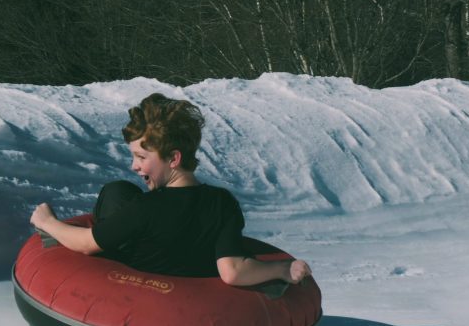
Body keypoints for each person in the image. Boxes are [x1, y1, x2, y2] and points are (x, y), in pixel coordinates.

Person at [30, 93, 311, 286]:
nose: (134, 166)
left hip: (138, 289)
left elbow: (87, 244)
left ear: (173, 158)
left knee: (115, 193)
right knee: (123, 190)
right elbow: (232, 272)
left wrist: (48, 222)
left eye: (141, 158)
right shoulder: (223, 202)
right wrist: (282, 269)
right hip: (192, 267)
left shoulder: (145, 209)